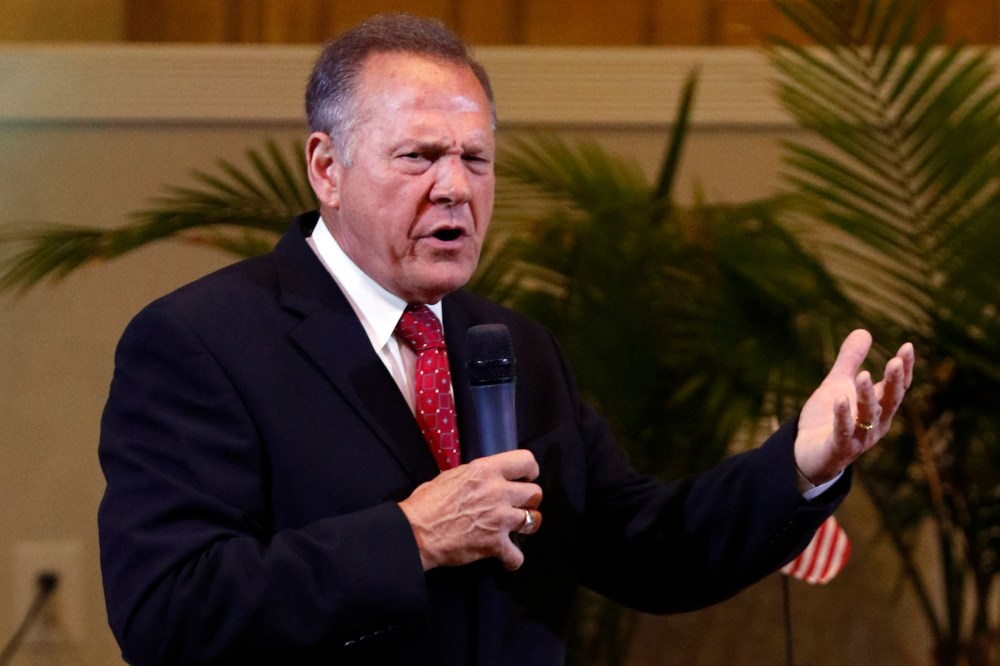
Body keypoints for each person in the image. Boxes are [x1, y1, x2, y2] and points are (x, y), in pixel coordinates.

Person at [97, 13, 915, 666]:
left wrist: (804, 467)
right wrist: (410, 538)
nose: (454, 186)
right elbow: (170, 613)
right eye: (419, 156)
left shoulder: (515, 348)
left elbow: (651, 550)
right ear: (326, 166)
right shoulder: (200, 343)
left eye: (476, 159)